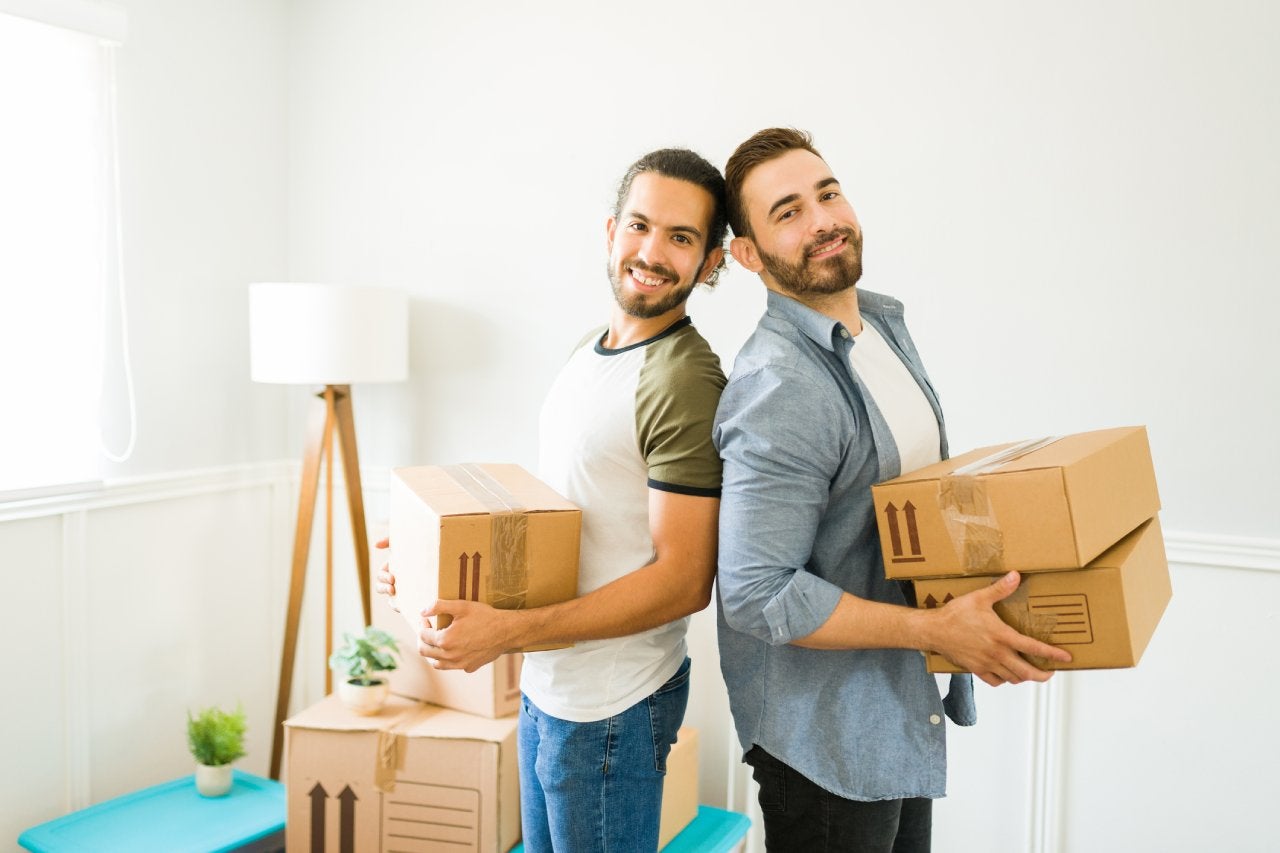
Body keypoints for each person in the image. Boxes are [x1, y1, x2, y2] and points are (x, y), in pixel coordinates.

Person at [713, 127, 1073, 852]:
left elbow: (902, 513)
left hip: (894, 705)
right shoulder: (780, 387)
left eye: (828, 192)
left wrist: (976, 621)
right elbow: (756, 590)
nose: (822, 220)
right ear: (748, 253)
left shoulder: (879, 325)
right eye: (787, 212)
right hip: (824, 743)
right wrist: (936, 631)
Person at [376, 147, 728, 852]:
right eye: (640, 225)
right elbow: (570, 524)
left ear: (711, 262)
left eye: (681, 237)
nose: (652, 251)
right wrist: (432, 568)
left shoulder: (684, 379)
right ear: (609, 232)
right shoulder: (588, 351)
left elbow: (685, 579)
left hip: (612, 710)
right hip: (551, 691)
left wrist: (505, 632)